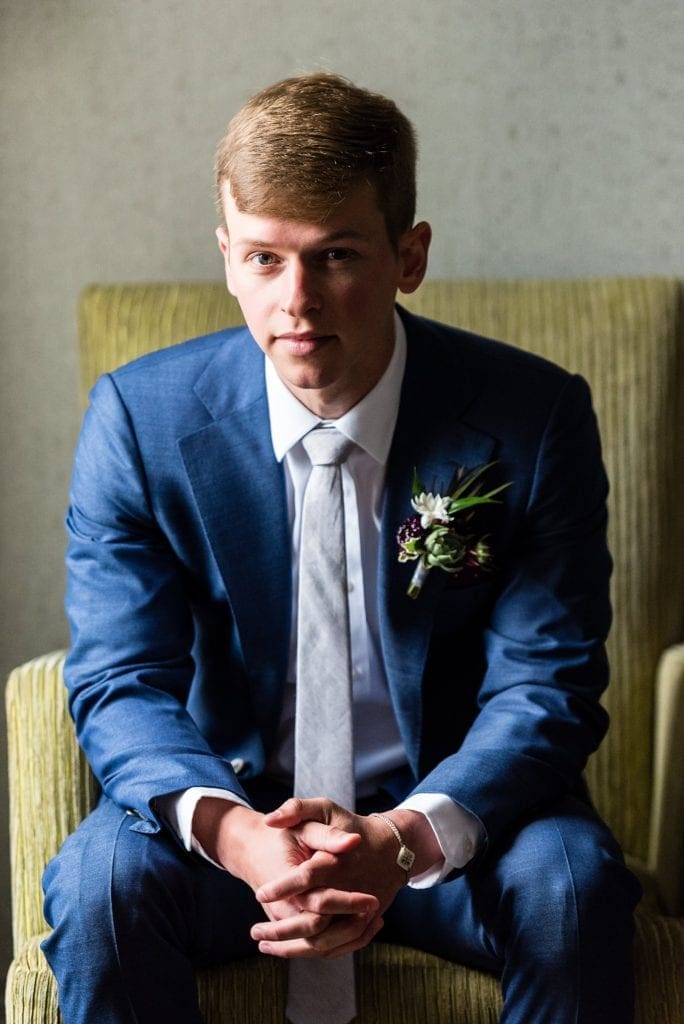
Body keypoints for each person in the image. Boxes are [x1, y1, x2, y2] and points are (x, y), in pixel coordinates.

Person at [42, 72, 641, 1024]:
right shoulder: (137, 420)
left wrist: (403, 838)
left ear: (411, 255)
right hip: (237, 821)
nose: (297, 301)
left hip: (454, 827)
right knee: (97, 890)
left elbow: (548, 684)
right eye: (265, 259)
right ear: (227, 257)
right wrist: (237, 835)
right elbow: (123, 681)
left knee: (573, 889)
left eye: (336, 257)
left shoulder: (533, 419)